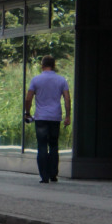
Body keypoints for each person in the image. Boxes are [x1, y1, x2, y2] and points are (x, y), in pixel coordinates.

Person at [24, 55, 72, 183]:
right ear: (54, 65)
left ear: (42, 65)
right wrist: (68, 116)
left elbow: (28, 98)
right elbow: (67, 99)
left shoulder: (36, 80)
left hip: (40, 117)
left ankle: (44, 176)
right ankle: (53, 174)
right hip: (55, 117)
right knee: (54, 145)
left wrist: (27, 113)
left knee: (42, 146)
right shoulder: (62, 80)